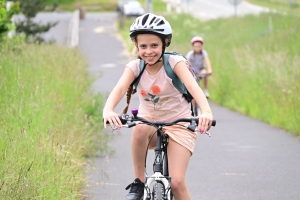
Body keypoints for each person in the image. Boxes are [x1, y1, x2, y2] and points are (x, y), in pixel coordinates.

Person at [103, 13, 213, 200]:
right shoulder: (136, 67)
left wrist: (206, 112)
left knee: (177, 183)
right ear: (136, 46)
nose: (148, 51)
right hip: (149, 124)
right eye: (143, 46)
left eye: (154, 45)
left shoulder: (174, 63)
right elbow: (120, 88)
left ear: (165, 43)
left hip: (180, 125)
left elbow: (194, 88)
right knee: (139, 128)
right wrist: (108, 109)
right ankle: (138, 182)